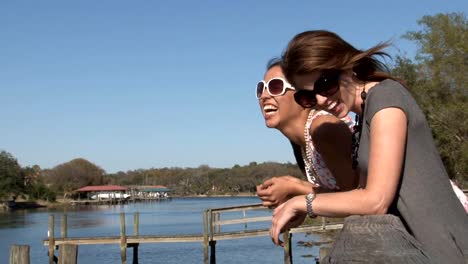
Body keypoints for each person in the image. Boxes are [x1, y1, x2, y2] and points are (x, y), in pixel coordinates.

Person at [269, 30, 468, 263]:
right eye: (308, 96)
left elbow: (376, 200)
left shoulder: (385, 99)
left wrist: (301, 202)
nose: (321, 100)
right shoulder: (363, 119)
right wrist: (304, 207)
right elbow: (359, 197)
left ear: (346, 65)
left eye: (325, 84)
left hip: (448, 251)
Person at [255, 59, 358, 208]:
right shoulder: (302, 141)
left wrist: (294, 186)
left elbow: (356, 198)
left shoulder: (324, 129)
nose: (264, 96)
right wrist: (299, 209)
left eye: (275, 87)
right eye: (261, 88)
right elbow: (338, 193)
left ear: (302, 94)